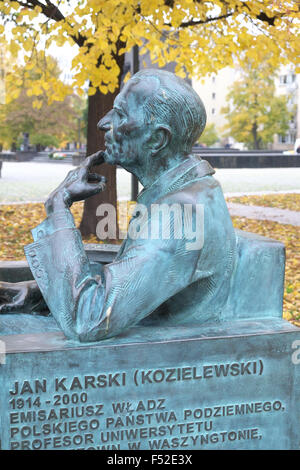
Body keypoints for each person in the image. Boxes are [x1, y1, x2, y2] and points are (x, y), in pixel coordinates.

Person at [0, 70, 236, 342]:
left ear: (157, 139)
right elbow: (129, 284)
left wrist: (58, 208)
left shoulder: (180, 212)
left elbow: (89, 319)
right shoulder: (183, 192)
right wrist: (35, 293)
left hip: (153, 361)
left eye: (121, 115)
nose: (103, 123)